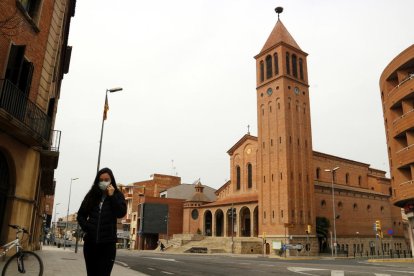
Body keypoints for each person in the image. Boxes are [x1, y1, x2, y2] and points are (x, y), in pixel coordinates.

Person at [77, 167, 127, 276]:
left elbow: (121, 213)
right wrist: (88, 227)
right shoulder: (91, 196)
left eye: (106, 179)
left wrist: (112, 196)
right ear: (97, 181)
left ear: (111, 181)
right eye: (101, 180)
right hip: (90, 244)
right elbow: (80, 215)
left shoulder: (118, 195)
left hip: (108, 245)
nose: (103, 182)